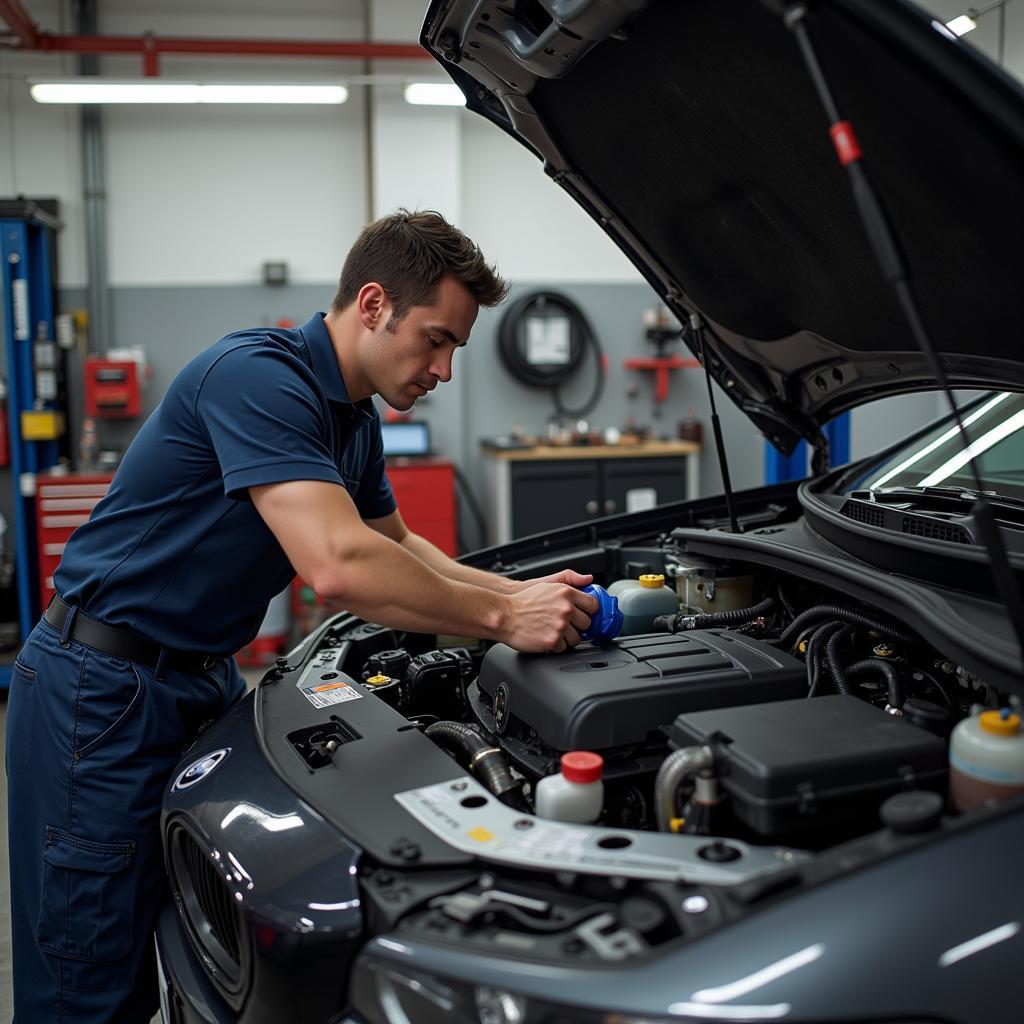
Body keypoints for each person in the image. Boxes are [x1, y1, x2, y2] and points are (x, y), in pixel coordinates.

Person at [6, 209, 598, 1023]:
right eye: (435, 339)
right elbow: (339, 566)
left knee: (194, 935)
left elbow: (399, 544)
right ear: (372, 303)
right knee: (89, 978)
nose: (444, 369)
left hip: (192, 681)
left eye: (455, 346)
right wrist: (504, 620)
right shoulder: (259, 376)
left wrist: (517, 596)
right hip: (101, 692)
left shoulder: (351, 420)